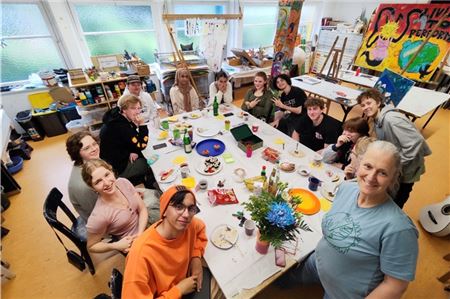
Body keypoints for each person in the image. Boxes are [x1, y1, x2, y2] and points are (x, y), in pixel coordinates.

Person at [280, 141, 419, 299]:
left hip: (343, 293)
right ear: (359, 164)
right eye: (368, 166)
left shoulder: (399, 229)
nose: (371, 177)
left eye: (382, 173)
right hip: (316, 263)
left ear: (393, 178)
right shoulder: (346, 188)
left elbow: (395, 287)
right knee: (278, 279)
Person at [122, 185, 212, 298]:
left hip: (185, 281)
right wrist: (178, 291)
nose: (186, 215)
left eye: (191, 209)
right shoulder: (140, 255)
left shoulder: (188, 225)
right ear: (164, 211)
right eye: (179, 207)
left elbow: (200, 230)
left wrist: (196, 257)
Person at [357, 88, 432, 208]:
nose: (366, 107)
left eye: (369, 103)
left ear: (378, 102)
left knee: (396, 202)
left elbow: (415, 142)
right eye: (362, 105)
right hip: (398, 170)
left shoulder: (391, 119)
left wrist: (394, 165)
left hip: (406, 171)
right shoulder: (378, 119)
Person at [81, 159, 148, 254]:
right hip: (132, 245)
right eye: (98, 181)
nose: (107, 183)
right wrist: (115, 245)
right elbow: (92, 246)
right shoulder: (99, 216)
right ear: (92, 187)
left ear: (112, 171)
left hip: (144, 226)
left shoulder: (123, 182)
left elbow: (142, 209)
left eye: (107, 175)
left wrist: (140, 233)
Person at [99, 94, 155, 188]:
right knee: (150, 163)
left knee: (141, 154)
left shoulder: (116, 116)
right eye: (133, 108)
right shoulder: (121, 126)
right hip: (117, 168)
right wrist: (142, 125)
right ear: (124, 109)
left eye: (139, 108)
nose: (138, 112)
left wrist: (133, 150)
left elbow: (130, 137)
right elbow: (141, 145)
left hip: (113, 159)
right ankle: (149, 184)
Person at [66, 131, 100, 222]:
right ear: (77, 153)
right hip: (102, 224)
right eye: (87, 148)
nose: (94, 149)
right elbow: (98, 213)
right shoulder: (83, 185)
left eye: (94, 144)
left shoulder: (92, 161)